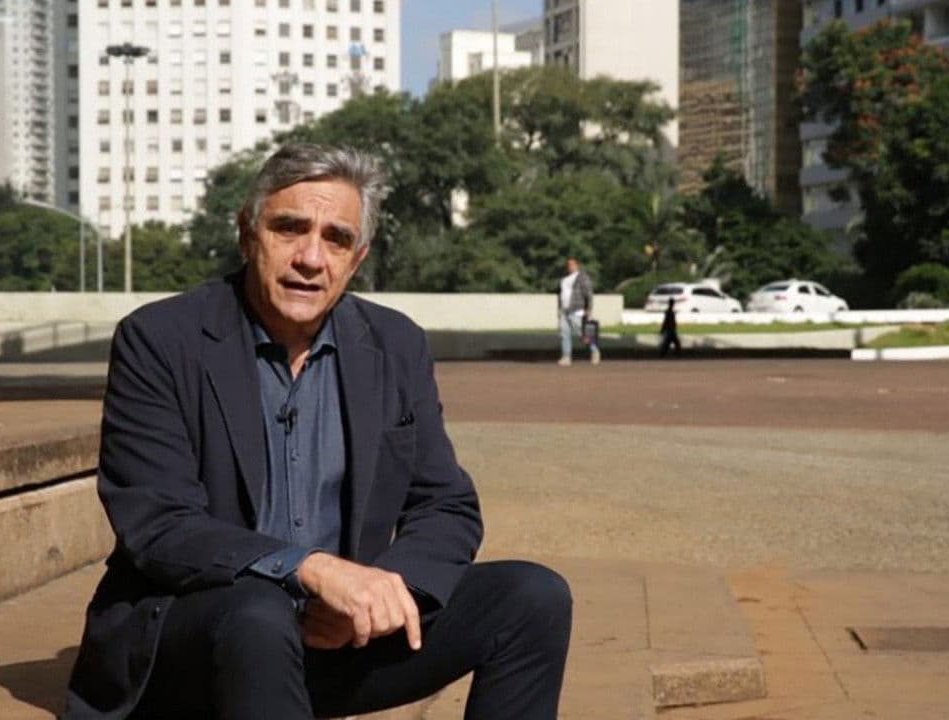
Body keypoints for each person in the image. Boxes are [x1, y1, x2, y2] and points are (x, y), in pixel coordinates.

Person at [63, 144, 572, 719]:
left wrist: (380, 588)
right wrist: (309, 568)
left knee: (533, 598)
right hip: (202, 640)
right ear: (247, 234)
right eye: (290, 229)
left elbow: (445, 504)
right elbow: (159, 524)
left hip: (338, 637)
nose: (310, 258)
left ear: (358, 259)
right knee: (258, 613)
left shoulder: (395, 344)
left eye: (336, 239)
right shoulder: (160, 339)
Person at [558, 257, 600, 366]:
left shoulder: (582, 277)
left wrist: (589, 308)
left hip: (577, 309)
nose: (570, 267)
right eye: (568, 265)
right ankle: (566, 357)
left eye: (572, 264)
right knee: (564, 334)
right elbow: (562, 294)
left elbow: (589, 293)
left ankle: (595, 351)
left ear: (577, 265)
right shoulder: (564, 279)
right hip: (564, 310)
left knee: (582, 332)